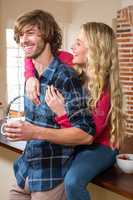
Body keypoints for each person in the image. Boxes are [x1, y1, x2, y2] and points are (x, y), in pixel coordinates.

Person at [22, 22, 125, 200]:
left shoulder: (105, 93)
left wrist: (61, 113)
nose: (72, 47)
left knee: (72, 181)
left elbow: (86, 137)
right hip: (73, 140)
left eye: (78, 43)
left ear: (94, 49)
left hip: (98, 147)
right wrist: (30, 76)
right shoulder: (69, 61)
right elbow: (33, 52)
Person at [5, 10, 95, 200]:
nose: (23, 40)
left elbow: (86, 135)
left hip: (51, 177)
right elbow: (40, 121)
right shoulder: (30, 78)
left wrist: (34, 131)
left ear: (47, 34)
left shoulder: (66, 77)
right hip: (26, 172)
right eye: (21, 35)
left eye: (30, 32)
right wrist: (21, 128)